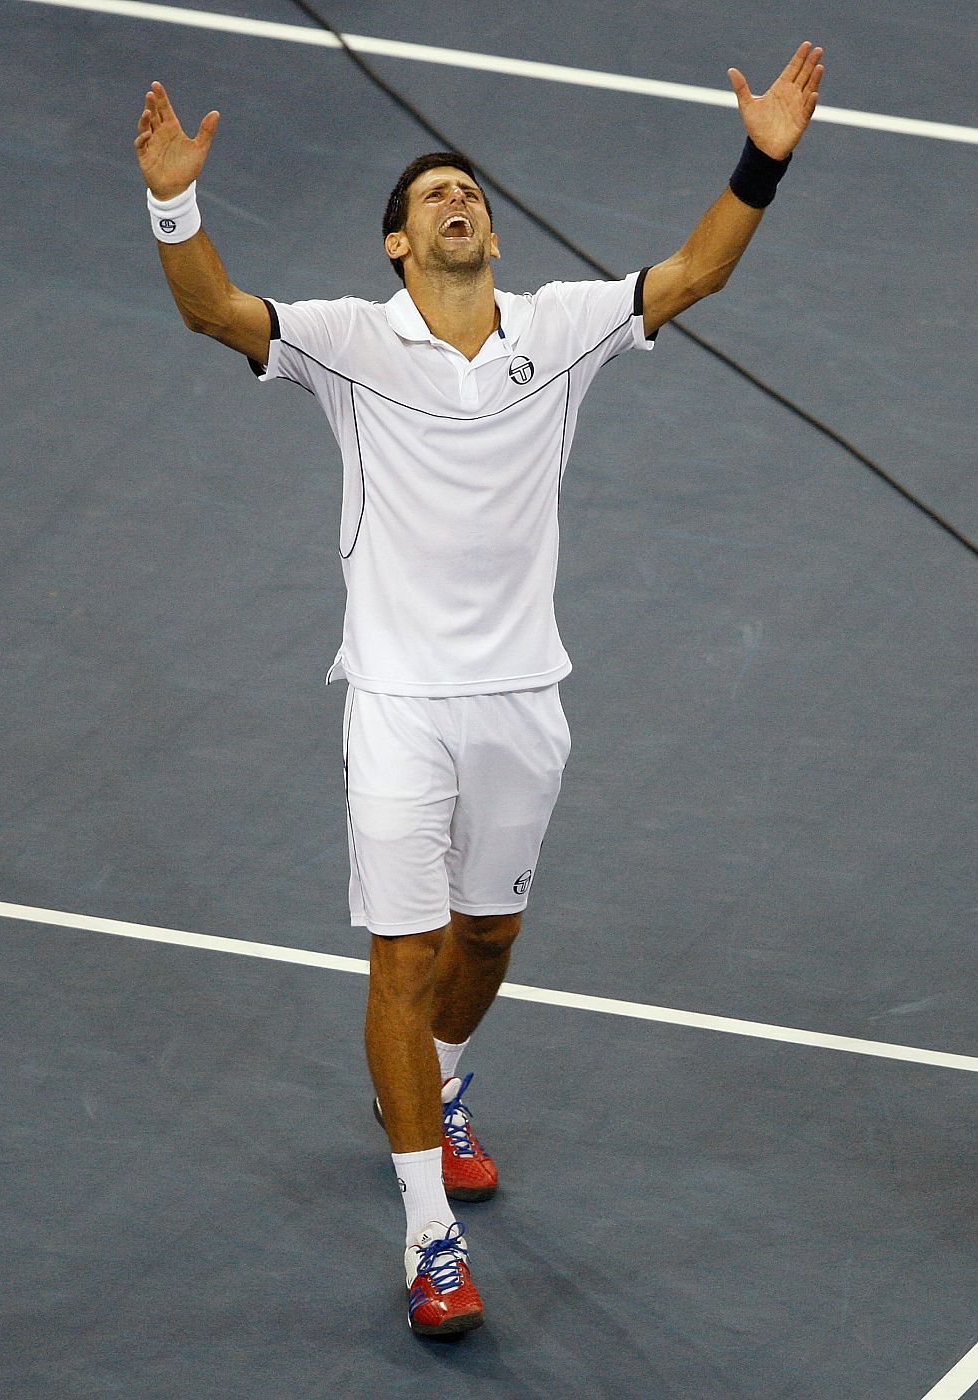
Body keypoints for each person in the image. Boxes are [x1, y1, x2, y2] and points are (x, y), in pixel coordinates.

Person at [134, 39, 823, 1338]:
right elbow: (214, 312)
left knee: (487, 942)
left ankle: (443, 1089)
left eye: (471, 192)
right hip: (395, 702)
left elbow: (695, 272)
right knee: (402, 961)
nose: (461, 200)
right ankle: (428, 1234)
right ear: (397, 246)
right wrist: (178, 202)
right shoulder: (347, 346)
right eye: (432, 196)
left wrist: (762, 159)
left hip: (522, 702)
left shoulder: (559, 331)